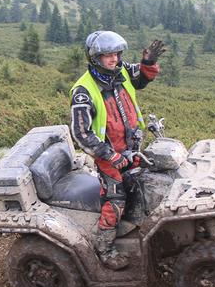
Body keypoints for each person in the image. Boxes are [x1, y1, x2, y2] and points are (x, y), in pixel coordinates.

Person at [70, 31, 165, 269]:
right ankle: (104, 249)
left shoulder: (120, 71)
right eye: (107, 56)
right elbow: (81, 133)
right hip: (107, 156)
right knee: (115, 200)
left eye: (116, 54)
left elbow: (141, 79)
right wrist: (110, 155)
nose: (114, 59)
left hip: (132, 147)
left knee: (148, 184)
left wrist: (148, 63)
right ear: (95, 58)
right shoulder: (83, 91)